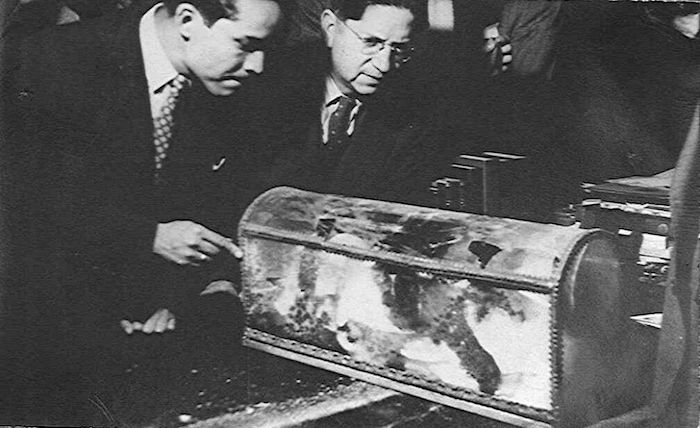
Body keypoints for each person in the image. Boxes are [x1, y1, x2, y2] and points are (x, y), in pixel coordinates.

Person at [3, 0, 285, 423]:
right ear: (188, 20)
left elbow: (197, 197)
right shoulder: (52, 60)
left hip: (143, 331)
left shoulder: (215, 88)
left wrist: (176, 296)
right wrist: (147, 238)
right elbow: (25, 203)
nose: (258, 66)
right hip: (41, 332)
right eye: (246, 44)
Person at [272, 0, 436, 206]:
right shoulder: (270, 92)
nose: (384, 65)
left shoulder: (410, 119)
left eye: (398, 48)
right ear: (331, 28)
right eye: (371, 42)